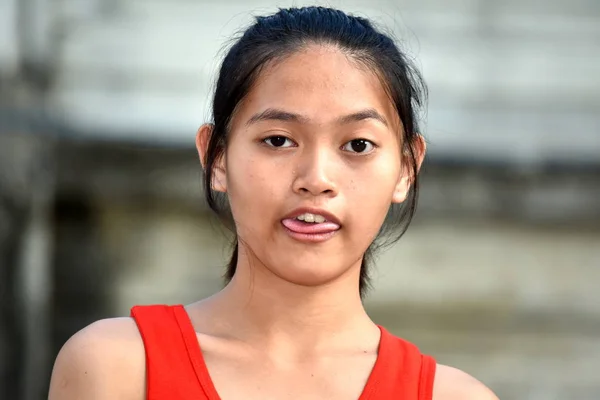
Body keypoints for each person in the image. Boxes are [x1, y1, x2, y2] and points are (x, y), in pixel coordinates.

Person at [48, 6, 498, 400]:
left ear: (405, 168)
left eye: (357, 145)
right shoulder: (116, 367)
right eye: (278, 140)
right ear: (216, 156)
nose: (316, 179)